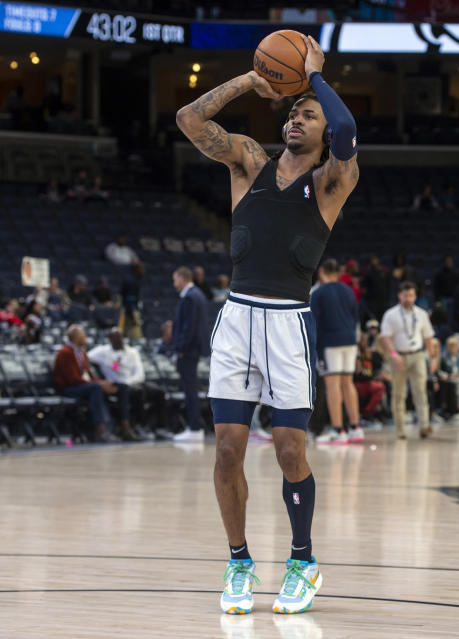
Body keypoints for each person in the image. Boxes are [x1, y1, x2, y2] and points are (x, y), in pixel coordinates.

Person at [176, 33, 358, 615]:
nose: (296, 120)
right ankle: (238, 562)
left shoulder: (333, 179)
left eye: (308, 114)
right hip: (236, 318)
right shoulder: (249, 159)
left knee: (287, 449)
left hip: (287, 323)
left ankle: (303, 562)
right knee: (227, 448)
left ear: (323, 128)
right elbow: (188, 118)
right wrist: (252, 82)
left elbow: (349, 132)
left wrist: (315, 76)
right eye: (293, 112)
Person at [309, 259, 361, 445]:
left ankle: (338, 430)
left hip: (330, 343)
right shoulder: (348, 290)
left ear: (322, 272)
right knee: (348, 383)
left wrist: (313, 347)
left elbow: (313, 323)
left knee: (333, 386)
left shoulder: (318, 292)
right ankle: (355, 428)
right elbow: (356, 319)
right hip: (350, 341)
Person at [379, 282, 438, 439]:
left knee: (420, 391)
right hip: (398, 356)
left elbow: (428, 337)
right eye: (405, 295)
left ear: (415, 296)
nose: (408, 298)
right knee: (398, 394)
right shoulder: (390, 314)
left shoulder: (421, 314)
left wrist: (432, 359)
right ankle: (400, 430)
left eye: (411, 295)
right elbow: (386, 337)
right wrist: (393, 354)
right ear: (400, 296)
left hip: (418, 355)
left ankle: (424, 426)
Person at [88, 328, 166, 441]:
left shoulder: (132, 352)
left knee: (159, 392)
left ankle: (160, 427)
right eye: (115, 338)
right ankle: (139, 426)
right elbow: (85, 357)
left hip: (134, 381)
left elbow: (139, 373)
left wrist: (130, 383)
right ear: (110, 340)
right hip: (117, 385)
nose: (118, 340)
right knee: (138, 393)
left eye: (120, 337)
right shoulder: (102, 352)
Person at [53, 324, 123, 443]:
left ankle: (117, 428)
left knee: (121, 388)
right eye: (83, 335)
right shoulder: (66, 352)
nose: (86, 337)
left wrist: (101, 382)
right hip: (69, 388)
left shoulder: (82, 352)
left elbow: (89, 374)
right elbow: (73, 379)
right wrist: (100, 383)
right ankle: (101, 430)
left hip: (89, 385)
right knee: (97, 389)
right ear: (75, 337)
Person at [169, 267, 211, 442]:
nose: (173, 283)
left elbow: (188, 327)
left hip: (188, 350)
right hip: (193, 349)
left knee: (190, 389)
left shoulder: (190, 296)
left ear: (181, 278)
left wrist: (180, 349)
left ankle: (194, 428)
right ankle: (194, 427)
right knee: (191, 388)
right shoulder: (198, 294)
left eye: (175, 279)